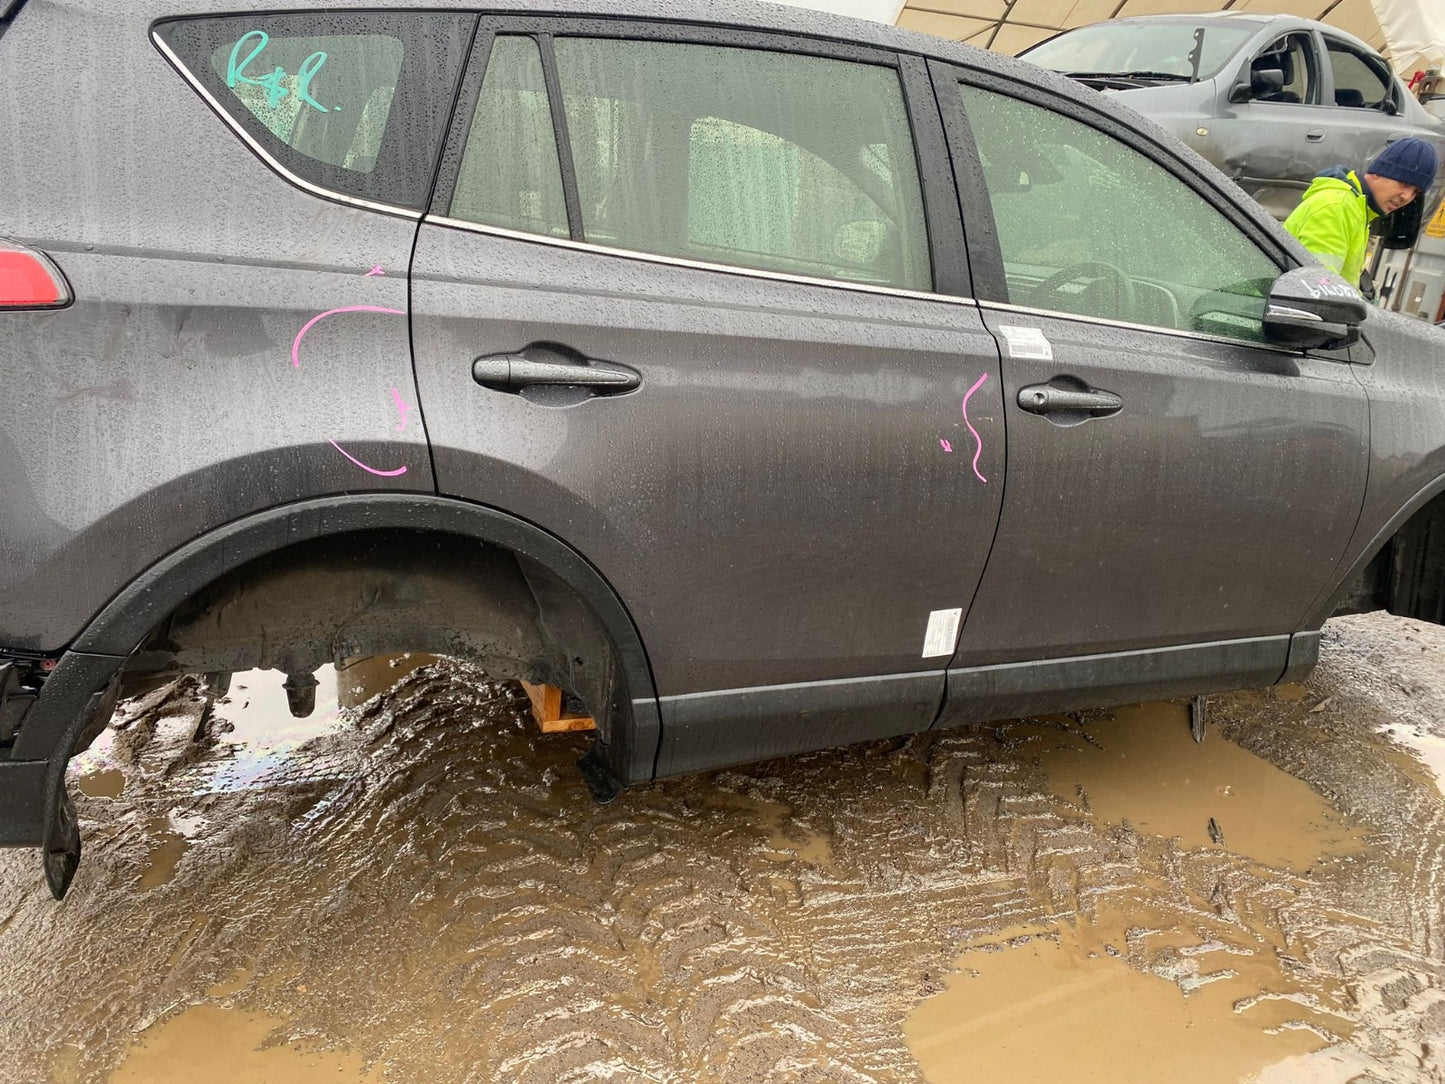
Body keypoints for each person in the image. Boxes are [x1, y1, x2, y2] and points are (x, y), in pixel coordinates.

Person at [1283, 137, 1439, 288]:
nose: (1407, 197)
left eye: (1415, 192)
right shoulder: (1337, 207)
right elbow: (1318, 288)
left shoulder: (1358, 210)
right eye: (1404, 183)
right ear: (1378, 172)